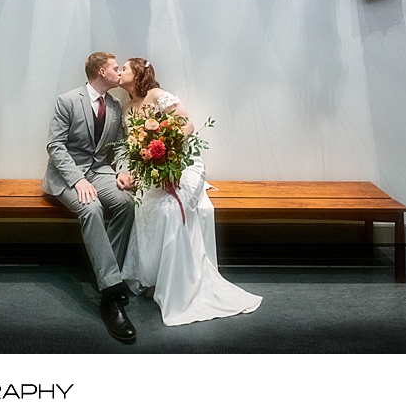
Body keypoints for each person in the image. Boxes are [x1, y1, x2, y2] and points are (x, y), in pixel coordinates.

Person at [118, 57, 262, 326]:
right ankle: (154, 277)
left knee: (171, 209)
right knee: (146, 207)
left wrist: (167, 157)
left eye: (124, 68)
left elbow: (187, 125)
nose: (120, 72)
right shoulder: (126, 108)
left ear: (137, 73)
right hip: (153, 170)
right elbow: (134, 149)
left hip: (182, 164)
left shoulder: (157, 95)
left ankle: (180, 284)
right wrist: (139, 169)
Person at [43, 52, 138, 344]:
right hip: (68, 176)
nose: (118, 72)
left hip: (100, 171)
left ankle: (105, 272)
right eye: (114, 68)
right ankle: (111, 292)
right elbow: (55, 146)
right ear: (100, 71)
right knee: (92, 208)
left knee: (125, 204)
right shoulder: (67, 100)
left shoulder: (114, 105)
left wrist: (122, 170)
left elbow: (120, 145)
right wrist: (78, 179)